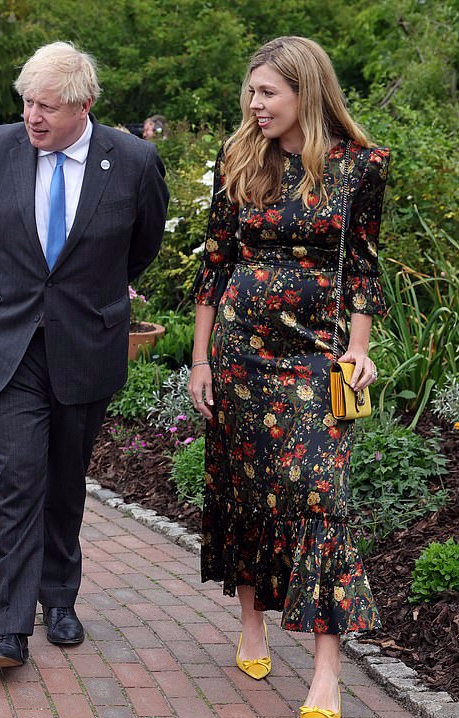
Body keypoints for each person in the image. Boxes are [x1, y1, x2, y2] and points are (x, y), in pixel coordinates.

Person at [187, 36, 389, 718]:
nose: (253, 104)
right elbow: (215, 262)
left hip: (316, 356)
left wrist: (358, 350)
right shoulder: (240, 157)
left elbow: (361, 267)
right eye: (251, 92)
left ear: (306, 90)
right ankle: (251, 620)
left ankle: (328, 674)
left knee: (319, 498)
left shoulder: (359, 166)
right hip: (240, 352)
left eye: (266, 92)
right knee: (246, 487)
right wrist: (199, 360)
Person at [0, 41, 169, 669]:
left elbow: (143, 244)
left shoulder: (131, 160)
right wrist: (18, 289)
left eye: (47, 106)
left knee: (66, 479)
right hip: (11, 345)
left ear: (85, 106)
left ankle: (60, 597)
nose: (33, 116)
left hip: (86, 344)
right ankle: (10, 629)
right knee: (20, 476)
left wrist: (89, 297)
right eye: (26, 102)